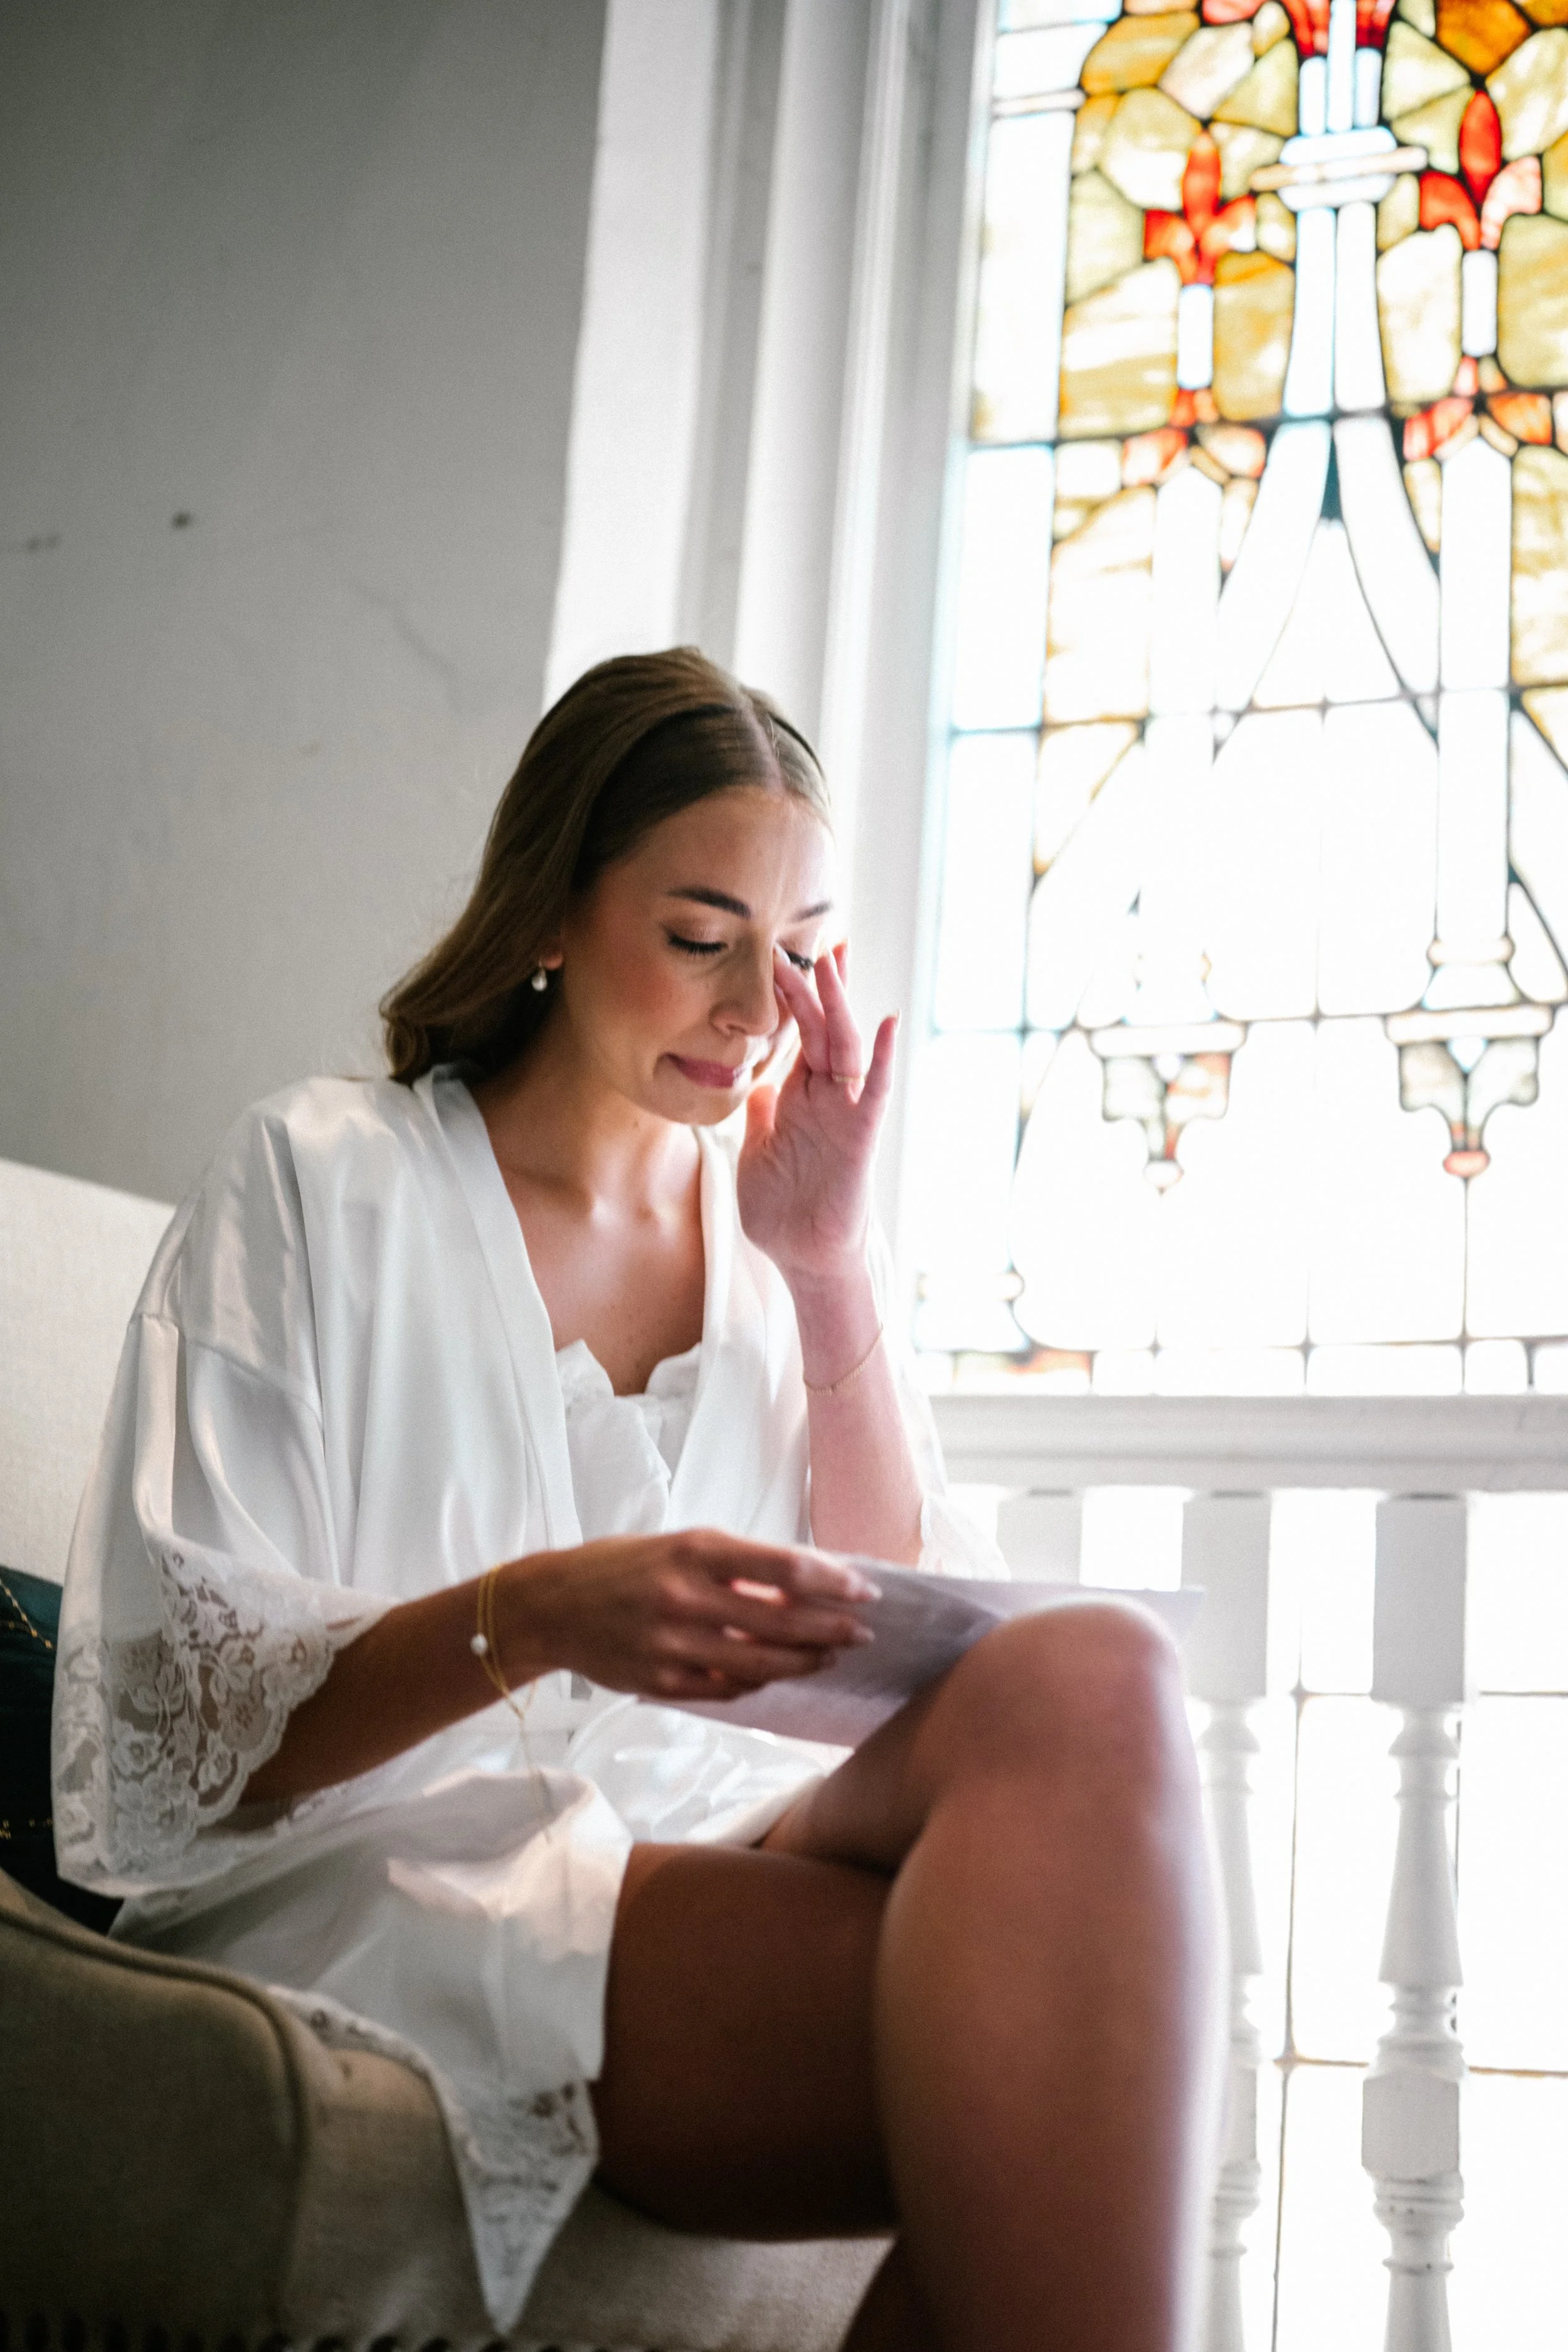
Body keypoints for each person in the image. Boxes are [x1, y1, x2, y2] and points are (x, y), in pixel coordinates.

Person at [53, 648, 1219, 2352]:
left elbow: (896, 1615)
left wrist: (822, 1263)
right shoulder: (320, 1179)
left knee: (1091, 1671)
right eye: (699, 937)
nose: (758, 1006)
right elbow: (176, 1732)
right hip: (419, 1864)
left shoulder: (768, 1237)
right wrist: (531, 1612)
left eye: (803, 948)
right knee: (1051, 2074)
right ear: (547, 914)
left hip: (726, 1827)